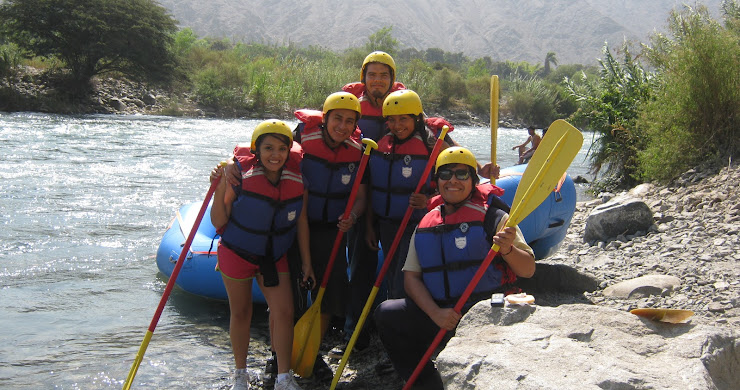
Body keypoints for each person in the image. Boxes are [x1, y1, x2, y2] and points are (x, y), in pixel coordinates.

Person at [373, 147, 535, 389]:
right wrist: (436, 314)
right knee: (388, 313)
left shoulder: (495, 218)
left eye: (462, 174)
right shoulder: (426, 222)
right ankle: (426, 383)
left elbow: (528, 270)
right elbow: (411, 279)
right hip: (443, 315)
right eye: (446, 174)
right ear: (437, 181)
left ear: (473, 181)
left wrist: (508, 250)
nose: (453, 181)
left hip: (486, 313)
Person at [210, 119, 314, 390]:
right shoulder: (238, 176)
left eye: (281, 149)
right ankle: (240, 375)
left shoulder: (297, 179)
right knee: (241, 312)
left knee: (284, 311)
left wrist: (306, 262)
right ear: (256, 150)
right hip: (237, 253)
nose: (275, 155)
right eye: (268, 148)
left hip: (273, 255)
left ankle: (283, 377)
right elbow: (218, 220)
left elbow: (301, 221)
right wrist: (220, 187)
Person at [288, 91, 367, 381]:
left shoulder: (358, 152)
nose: (343, 126)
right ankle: (280, 355)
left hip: (332, 232)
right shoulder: (300, 139)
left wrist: (354, 217)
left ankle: (313, 353)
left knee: (328, 296)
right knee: (294, 295)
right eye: (337, 119)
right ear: (324, 119)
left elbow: (360, 197)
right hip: (295, 227)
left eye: (349, 121)